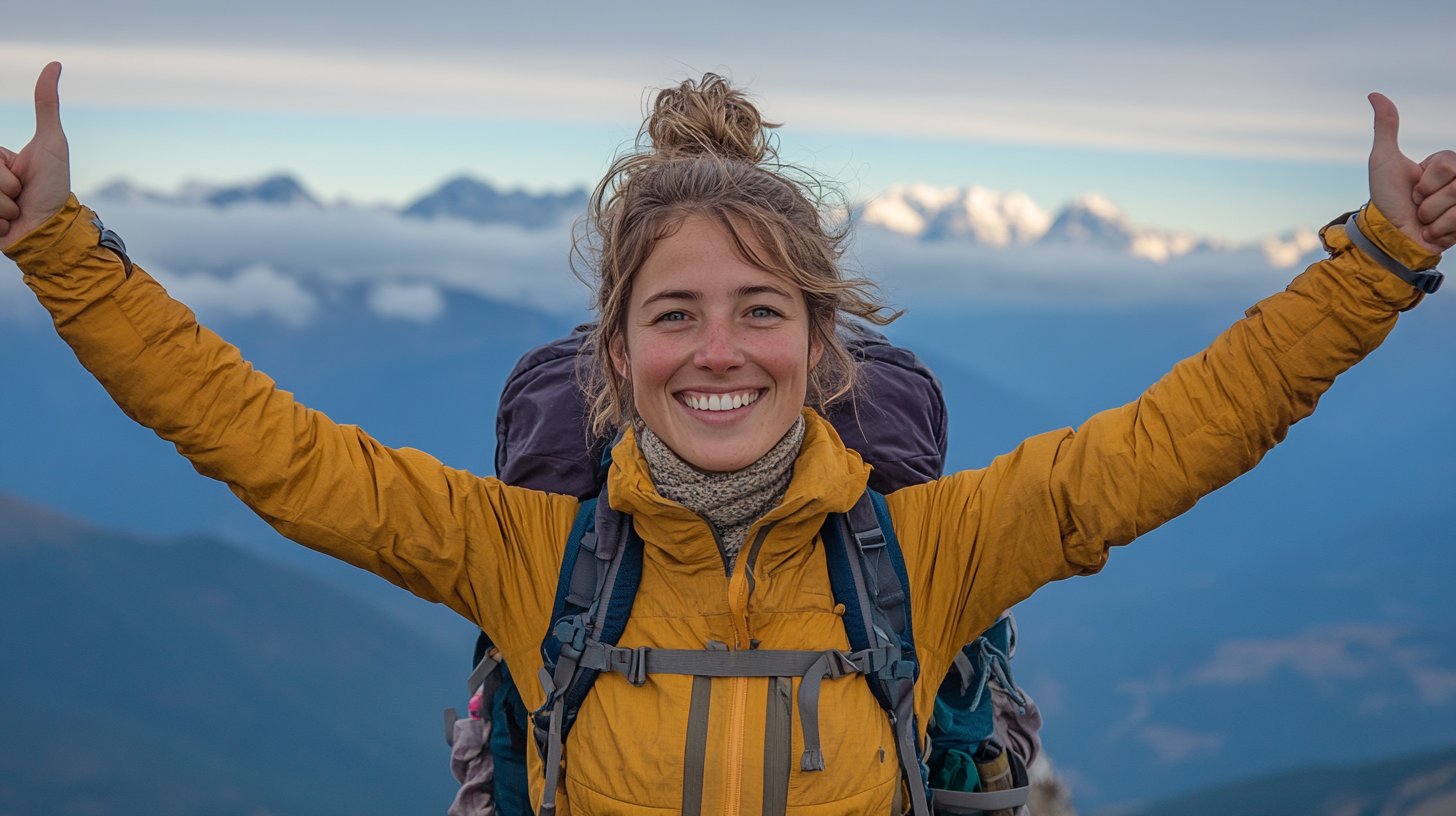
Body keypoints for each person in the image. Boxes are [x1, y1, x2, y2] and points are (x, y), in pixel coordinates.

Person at [3, 63, 1452, 815]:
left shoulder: (925, 557)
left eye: (760, 311)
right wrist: (60, 248)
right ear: (616, 358)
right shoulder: (533, 560)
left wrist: (1374, 263)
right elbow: (267, 446)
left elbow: (1179, 436)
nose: (716, 351)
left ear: (821, 350)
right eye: (673, 315)